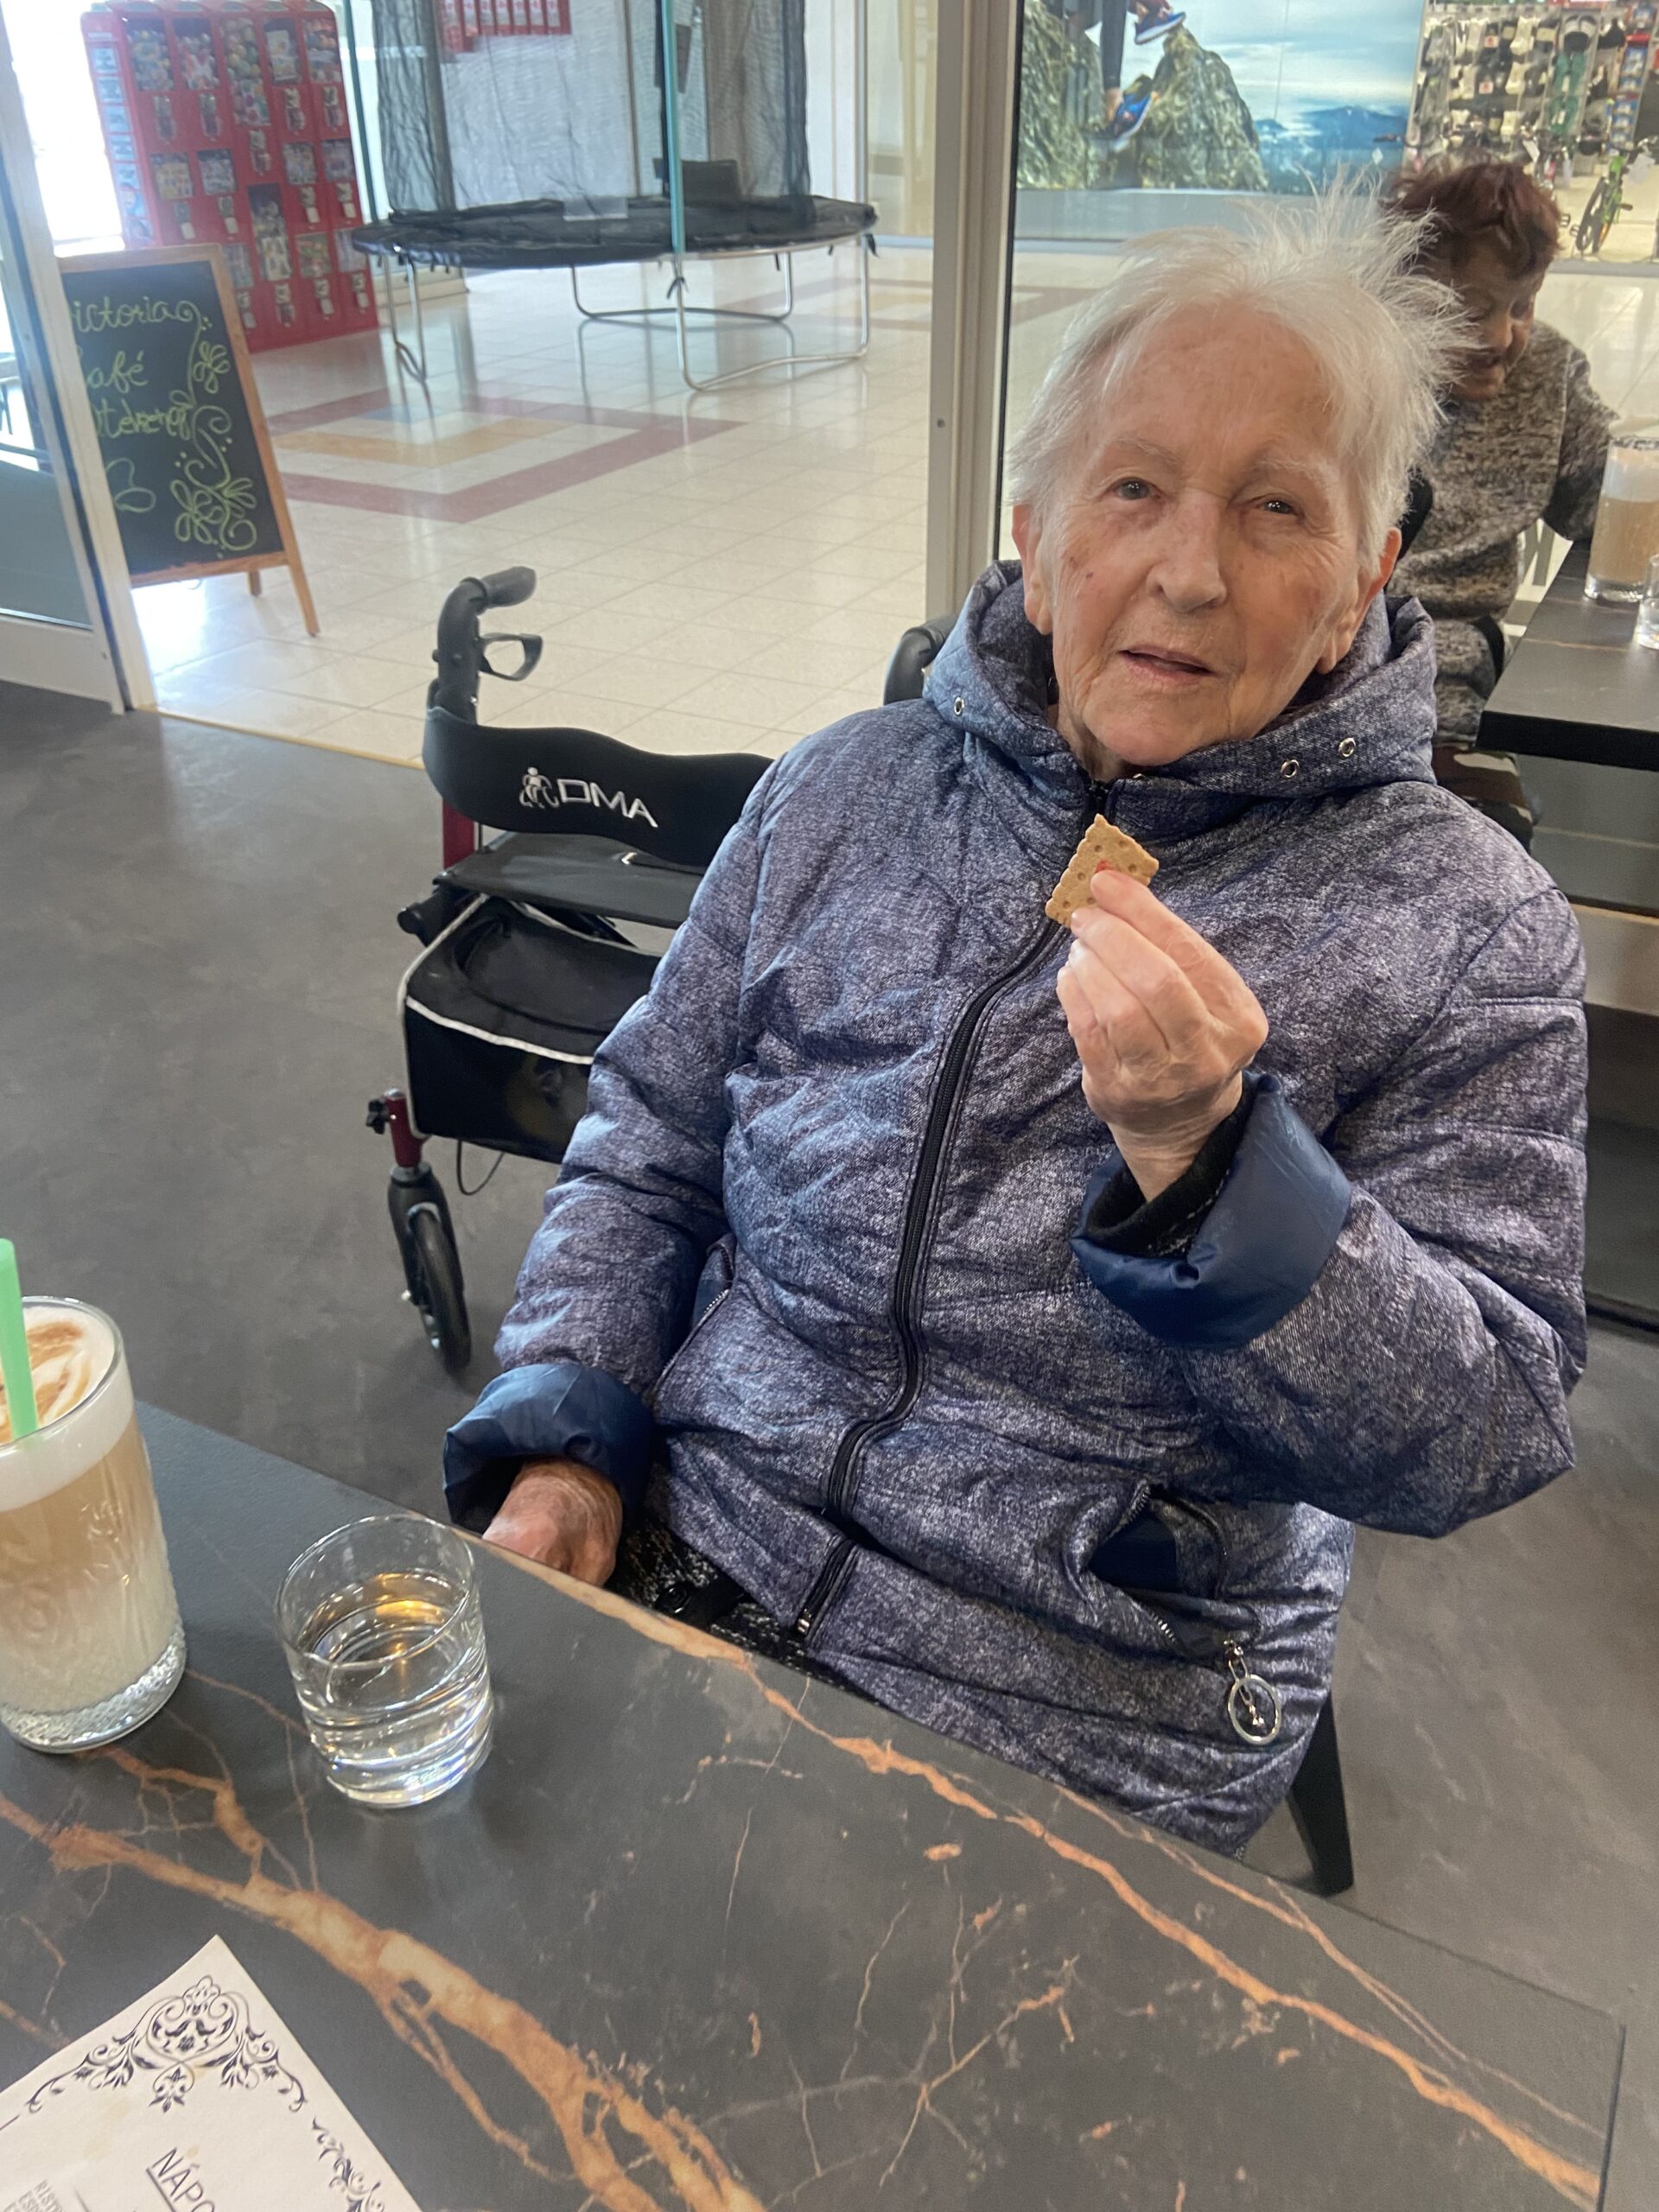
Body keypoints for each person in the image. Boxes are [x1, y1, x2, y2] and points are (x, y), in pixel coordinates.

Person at [444, 200, 1587, 1857]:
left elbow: (1474, 1434)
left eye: (1276, 506)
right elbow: (649, 1136)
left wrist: (1217, 1171)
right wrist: (569, 1433)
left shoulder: (1467, 927)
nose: (1189, 572)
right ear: (1038, 540)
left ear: (1362, 583)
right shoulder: (839, 789)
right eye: (1134, 489)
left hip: (1078, 1693)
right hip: (698, 1523)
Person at [1385, 159, 1615, 844]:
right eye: (1470, 309)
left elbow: (1609, 507)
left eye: (1522, 306)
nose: (1500, 338)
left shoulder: (1547, 373)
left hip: (1446, 692)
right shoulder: (1351, 369)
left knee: (1474, 851)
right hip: (1313, 675)